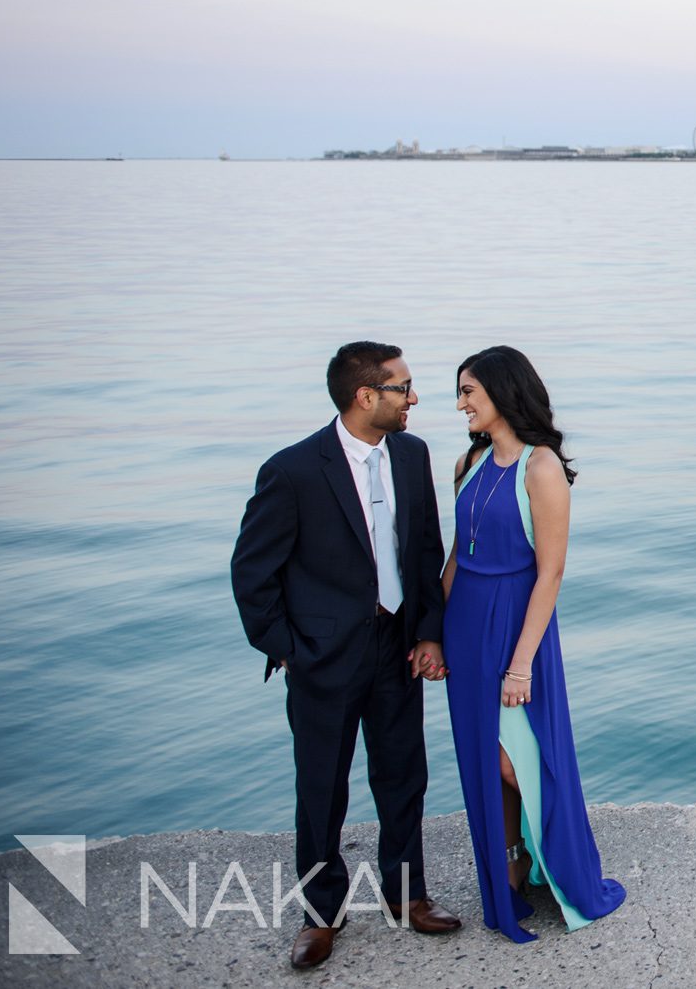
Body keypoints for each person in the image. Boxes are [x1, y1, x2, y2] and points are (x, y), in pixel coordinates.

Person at [231, 341, 463, 969]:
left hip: (397, 647)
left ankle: (407, 894)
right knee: (321, 788)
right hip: (321, 657)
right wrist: (287, 651)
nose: (414, 398)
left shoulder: (412, 455)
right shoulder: (294, 470)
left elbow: (421, 550)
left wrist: (428, 633)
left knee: (403, 775)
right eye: (403, 388)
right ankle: (320, 914)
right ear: (367, 397)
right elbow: (253, 572)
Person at [443, 345, 626, 941]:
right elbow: (456, 554)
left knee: (516, 759)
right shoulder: (470, 461)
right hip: (465, 625)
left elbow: (550, 573)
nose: (461, 402)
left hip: (515, 629)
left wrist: (520, 665)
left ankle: (567, 870)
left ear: (502, 391)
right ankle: (511, 875)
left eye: (469, 390)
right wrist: (433, 633)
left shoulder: (540, 467)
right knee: (483, 763)